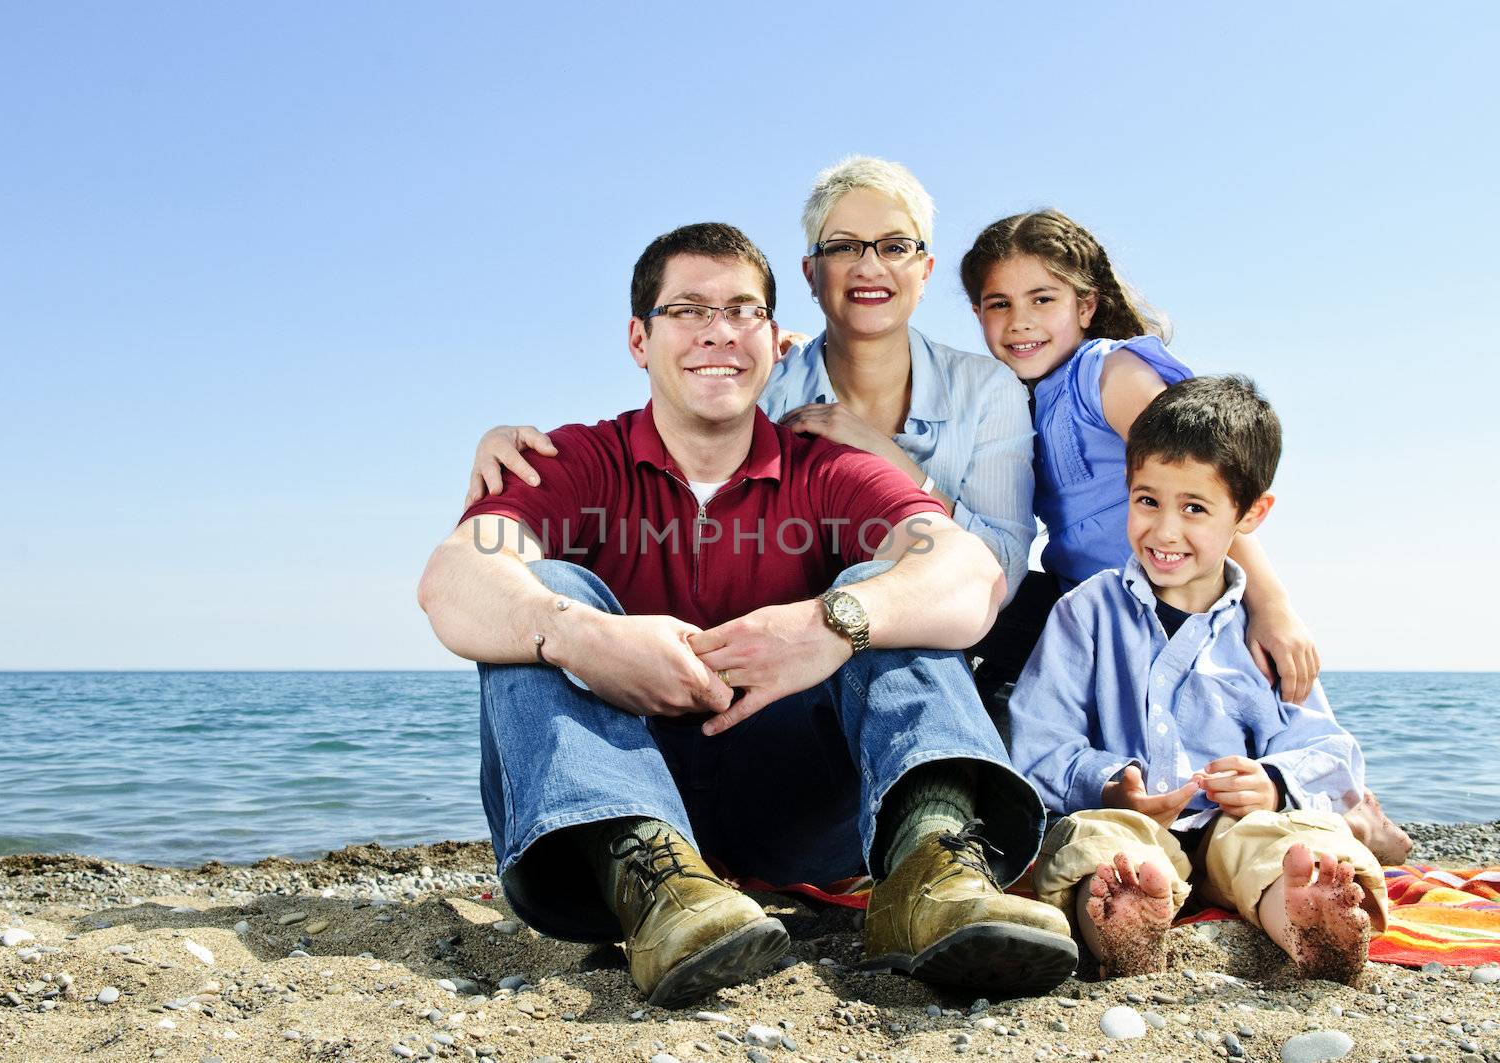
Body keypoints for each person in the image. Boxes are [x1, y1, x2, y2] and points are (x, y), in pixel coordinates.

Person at [418, 222, 1075, 1007]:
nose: (718, 331)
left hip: (808, 813)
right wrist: (582, 633)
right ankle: (657, 889)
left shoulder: (830, 467)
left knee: (890, 590)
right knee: (536, 592)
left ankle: (932, 873)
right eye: (689, 310)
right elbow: (454, 576)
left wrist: (832, 623)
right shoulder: (572, 462)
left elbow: (971, 574)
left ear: (772, 337)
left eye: (741, 310)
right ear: (639, 337)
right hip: (612, 807)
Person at [960, 211, 1409, 862]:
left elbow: (1205, 473)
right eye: (998, 304)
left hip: (1175, 591)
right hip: (1086, 605)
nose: (1020, 320)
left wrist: (1271, 603)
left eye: (1042, 299)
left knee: (1262, 727)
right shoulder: (1016, 398)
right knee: (961, 614)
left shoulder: (1104, 373)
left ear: (1086, 305)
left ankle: (1358, 819)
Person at [1005, 376, 1387, 983]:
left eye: (1195, 509)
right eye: (1147, 501)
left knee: (1281, 841)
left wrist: (1273, 781)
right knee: (1103, 844)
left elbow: (1330, 751)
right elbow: (1037, 739)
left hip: (1235, 822)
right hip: (1138, 821)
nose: (1164, 531)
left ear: (1251, 513)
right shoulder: (1087, 611)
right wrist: (1107, 784)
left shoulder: (1260, 633)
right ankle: (1127, 920)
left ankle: (1309, 917)